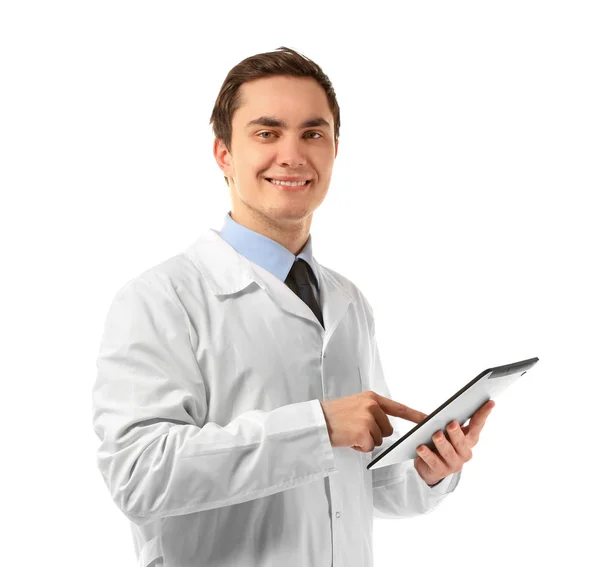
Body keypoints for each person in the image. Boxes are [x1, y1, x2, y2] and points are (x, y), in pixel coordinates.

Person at [92, 46, 495, 567]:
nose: (293, 154)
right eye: (267, 133)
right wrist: (318, 428)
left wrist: (429, 466)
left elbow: (361, 485)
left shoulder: (348, 300)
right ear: (224, 155)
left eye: (312, 133)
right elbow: (138, 475)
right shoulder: (160, 298)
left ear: (333, 150)